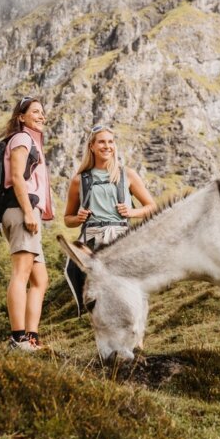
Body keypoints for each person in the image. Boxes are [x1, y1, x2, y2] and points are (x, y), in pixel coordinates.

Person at [62, 124, 156, 313]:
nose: (107, 146)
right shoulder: (79, 180)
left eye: (111, 142)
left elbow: (151, 207)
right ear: (92, 146)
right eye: (102, 142)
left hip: (121, 238)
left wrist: (131, 212)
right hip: (92, 240)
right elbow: (67, 219)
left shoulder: (127, 175)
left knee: (128, 288)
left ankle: (137, 339)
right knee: (94, 290)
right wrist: (78, 218)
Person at [0, 96, 54, 351]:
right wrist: (29, 213)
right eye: (35, 112)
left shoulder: (32, 141)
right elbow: (17, 178)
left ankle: (31, 337)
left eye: (42, 112)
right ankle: (18, 337)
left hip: (26, 212)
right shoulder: (22, 139)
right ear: (21, 117)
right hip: (21, 211)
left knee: (40, 280)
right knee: (21, 275)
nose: (41, 116)